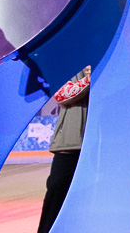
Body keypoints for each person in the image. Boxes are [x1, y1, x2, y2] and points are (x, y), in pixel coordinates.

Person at [37, 66, 90, 233]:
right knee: (57, 189)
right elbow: (62, 95)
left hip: (99, 142)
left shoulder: (109, 63)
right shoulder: (68, 64)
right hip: (70, 142)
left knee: (89, 194)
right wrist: (89, 79)